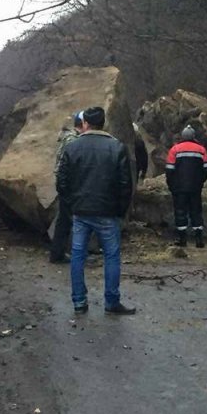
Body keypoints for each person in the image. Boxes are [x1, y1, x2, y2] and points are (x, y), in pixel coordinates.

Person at [56, 106, 135, 315]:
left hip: (81, 211)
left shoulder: (73, 147)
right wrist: (121, 210)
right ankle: (111, 301)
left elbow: (61, 180)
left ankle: (79, 301)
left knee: (77, 256)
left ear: (85, 124)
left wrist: (71, 203)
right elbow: (126, 183)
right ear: (103, 123)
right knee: (111, 256)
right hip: (108, 212)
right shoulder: (116, 147)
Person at [165, 125, 207, 248]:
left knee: (180, 212)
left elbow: (169, 169)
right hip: (195, 187)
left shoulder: (175, 149)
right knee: (196, 211)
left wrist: (172, 185)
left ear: (182, 136)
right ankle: (199, 239)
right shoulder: (201, 150)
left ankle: (182, 239)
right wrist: (200, 181)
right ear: (194, 136)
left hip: (179, 188)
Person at [49, 117, 81, 263]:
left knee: (64, 221)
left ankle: (58, 252)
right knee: (69, 221)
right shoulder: (73, 141)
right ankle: (65, 253)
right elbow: (69, 165)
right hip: (70, 186)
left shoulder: (67, 138)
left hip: (65, 185)